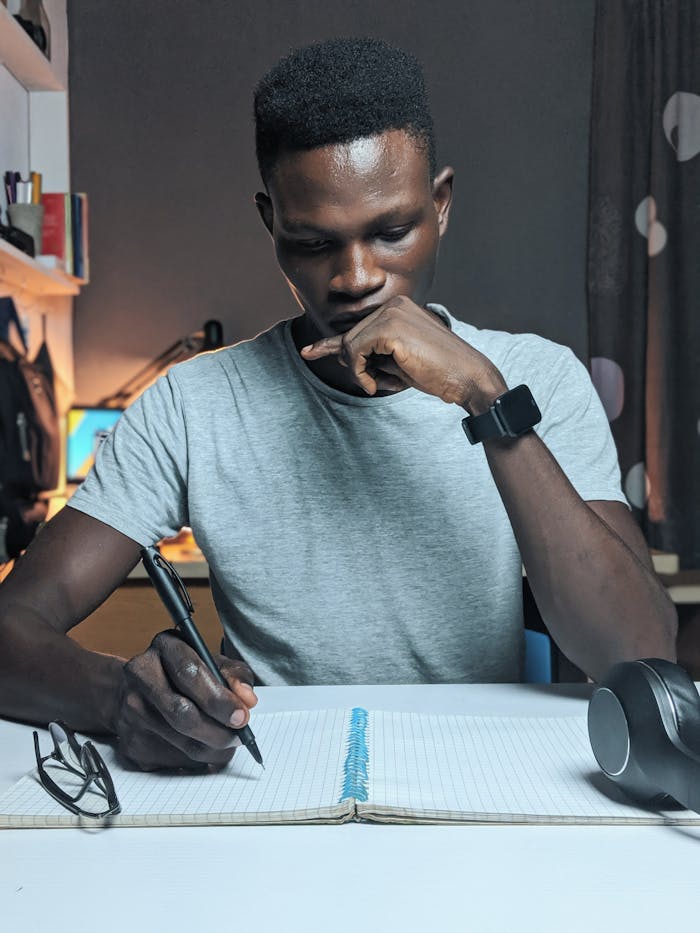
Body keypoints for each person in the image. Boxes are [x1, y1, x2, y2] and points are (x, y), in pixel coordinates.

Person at [0, 37, 676, 771]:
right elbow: (12, 628)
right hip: (274, 790)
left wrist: (484, 396)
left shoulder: (533, 376)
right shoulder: (191, 407)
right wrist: (119, 695)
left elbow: (641, 651)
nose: (356, 277)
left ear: (441, 205)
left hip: (481, 785)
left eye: (392, 232)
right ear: (271, 225)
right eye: (315, 242)